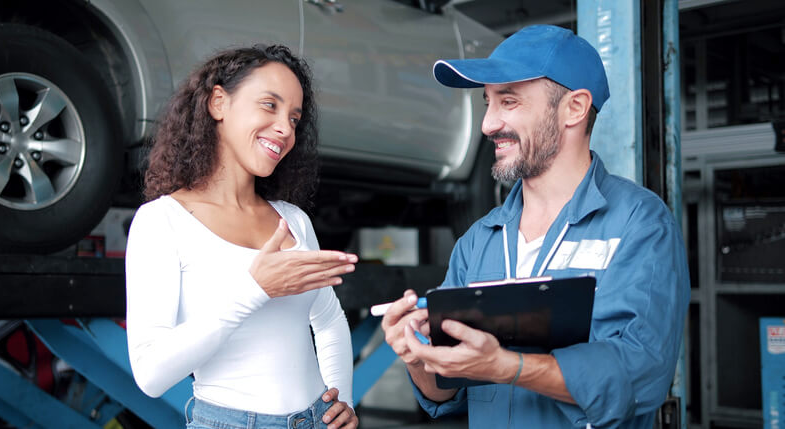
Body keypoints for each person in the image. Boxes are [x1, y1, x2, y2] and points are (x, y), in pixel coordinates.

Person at [381, 24, 690, 428]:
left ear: (575, 108)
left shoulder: (639, 224)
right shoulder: (479, 241)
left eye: (508, 102)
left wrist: (507, 366)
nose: (488, 124)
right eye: (487, 102)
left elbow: (639, 374)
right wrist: (416, 355)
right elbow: (447, 390)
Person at [125, 45, 359, 429]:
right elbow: (151, 375)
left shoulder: (293, 220)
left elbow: (330, 319)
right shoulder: (161, 221)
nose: (285, 128)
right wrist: (254, 288)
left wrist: (342, 399)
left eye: (295, 118)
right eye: (269, 105)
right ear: (219, 102)